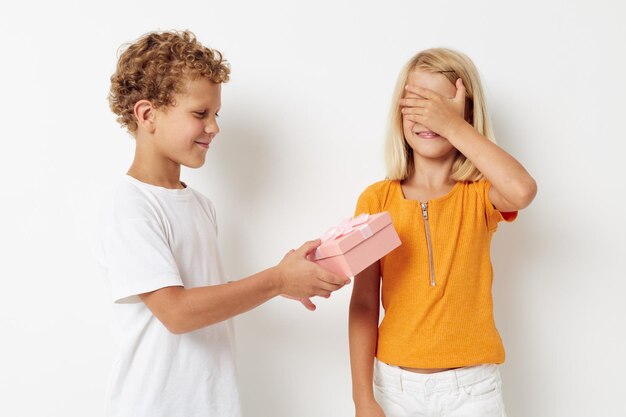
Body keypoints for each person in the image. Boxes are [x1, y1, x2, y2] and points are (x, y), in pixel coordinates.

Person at [97, 30, 350, 417]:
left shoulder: (200, 205)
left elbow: (202, 297)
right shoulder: (132, 207)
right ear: (147, 115)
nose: (214, 127)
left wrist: (282, 282)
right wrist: (276, 280)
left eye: (216, 115)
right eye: (200, 114)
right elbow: (177, 313)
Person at [348, 48, 537, 417]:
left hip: (473, 391)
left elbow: (523, 190)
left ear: (466, 113)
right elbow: (365, 303)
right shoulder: (376, 200)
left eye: (439, 106)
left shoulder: (481, 194)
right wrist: (362, 398)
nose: (427, 116)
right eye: (416, 103)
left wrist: (452, 126)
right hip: (395, 389)